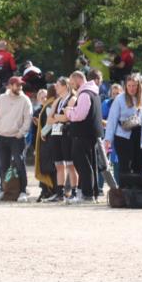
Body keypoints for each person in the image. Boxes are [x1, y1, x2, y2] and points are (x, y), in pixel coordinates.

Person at [103, 73, 142, 177]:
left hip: (140, 137)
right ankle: (124, 191)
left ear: (138, 86)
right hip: (123, 136)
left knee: (138, 166)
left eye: (134, 85)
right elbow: (112, 120)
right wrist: (108, 139)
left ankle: (136, 191)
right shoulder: (119, 99)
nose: (131, 88)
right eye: (129, 85)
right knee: (125, 166)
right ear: (126, 86)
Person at [0, 76, 33, 202]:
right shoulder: (1, 98)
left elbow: (28, 118)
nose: (20, 87)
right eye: (17, 85)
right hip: (2, 136)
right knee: (3, 165)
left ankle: (23, 191)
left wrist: (21, 133)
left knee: (20, 163)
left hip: (16, 137)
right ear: (10, 86)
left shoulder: (25, 100)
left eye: (21, 85)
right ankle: (6, 190)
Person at [65, 70, 102, 203]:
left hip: (83, 135)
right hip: (90, 134)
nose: (71, 85)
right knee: (90, 164)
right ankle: (90, 193)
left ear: (78, 79)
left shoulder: (85, 94)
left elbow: (80, 115)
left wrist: (69, 111)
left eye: (72, 82)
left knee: (83, 165)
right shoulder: (93, 93)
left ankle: (87, 194)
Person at [45, 77, 77, 202]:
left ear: (65, 86)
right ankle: (60, 192)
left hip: (66, 133)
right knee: (58, 164)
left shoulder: (72, 99)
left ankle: (73, 191)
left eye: (58, 85)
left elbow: (66, 118)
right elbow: (49, 119)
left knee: (70, 164)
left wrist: (57, 117)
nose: (55, 87)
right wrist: (59, 117)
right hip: (56, 132)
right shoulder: (57, 100)